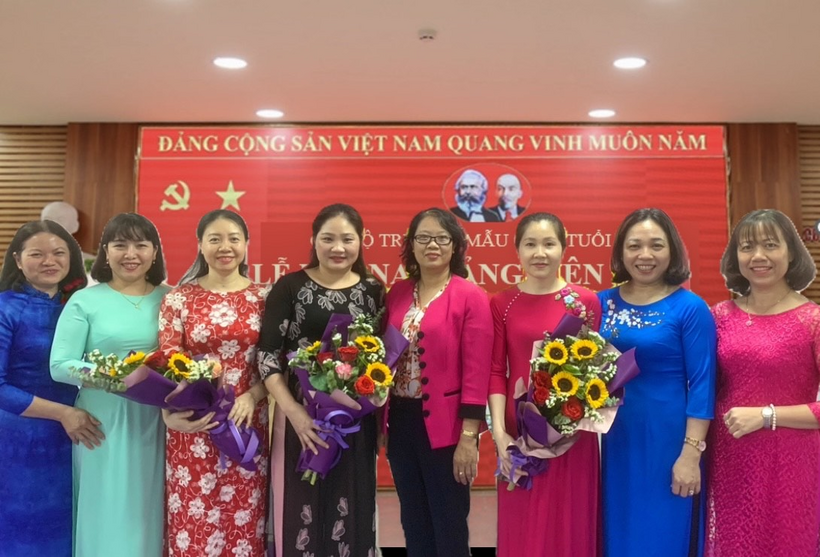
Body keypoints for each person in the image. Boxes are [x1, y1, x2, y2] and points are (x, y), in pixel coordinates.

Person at [258, 203, 384, 557]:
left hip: (355, 422)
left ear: (361, 241)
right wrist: (295, 412)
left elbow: (381, 359)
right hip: (300, 418)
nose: (338, 247)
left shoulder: (374, 291)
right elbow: (267, 356)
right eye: (328, 238)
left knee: (353, 506)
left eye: (347, 238)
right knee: (300, 508)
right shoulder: (290, 287)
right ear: (313, 241)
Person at [597, 208, 716, 557]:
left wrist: (690, 455)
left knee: (662, 535)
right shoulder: (601, 304)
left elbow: (703, 385)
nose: (644, 255)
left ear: (673, 251)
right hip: (613, 442)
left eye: (656, 245)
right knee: (616, 531)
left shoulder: (690, 308)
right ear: (620, 252)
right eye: (634, 246)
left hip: (669, 443)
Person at [51, 213, 169, 557]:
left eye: (140, 245)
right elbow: (60, 365)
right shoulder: (85, 300)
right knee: (106, 509)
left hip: (160, 422)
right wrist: (115, 379)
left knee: (152, 508)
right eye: (120, 245)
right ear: (105, 252)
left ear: (155, 252)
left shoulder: (172, 298)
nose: (130, 254)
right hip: (102, 422)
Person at [707, 209, 820, 556]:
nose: (758, 256)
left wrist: (767, 415)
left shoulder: (813, 320)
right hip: (729, 464)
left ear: (791, 253)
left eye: (770, 245)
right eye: (747, 247)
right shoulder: (719, 316)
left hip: (792, 464)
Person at [489, 212, 601, 556]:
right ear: (517, 251)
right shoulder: (502, 303)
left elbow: (595, 369)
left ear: (563, 250)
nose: (540, 253)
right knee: (523, 522)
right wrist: (499, 434)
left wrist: (574, 416)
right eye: (531, 244)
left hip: (572, 431)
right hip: (519, 431)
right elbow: (496, 371)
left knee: (570, 520)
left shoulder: (585, 302)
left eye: (549, 244)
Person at [159, 209, 270, 556]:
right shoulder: (178, 299)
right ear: (200, 246)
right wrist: (168, 415)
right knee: (193, 521)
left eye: (234, 238)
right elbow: (167, 361)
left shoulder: (264, 299)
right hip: (193, 428)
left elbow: (275, 365)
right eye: (215, 239)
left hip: (246, 424)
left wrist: (253, 396)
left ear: (247, 245)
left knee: (244, 521)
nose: (226, 247)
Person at [385, 207, 493, 557]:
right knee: (413, 520)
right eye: (423, 238)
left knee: (448, 522)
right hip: (400, 420)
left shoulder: (470, 295)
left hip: (448, 427)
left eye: (442, 238)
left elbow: (477, 371)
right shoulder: (397, 293)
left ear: (455, 246)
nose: (433, 245)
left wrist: (469, 437)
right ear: (411, 246)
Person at [0, 220, 100, 557]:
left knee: (75, 528)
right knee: (24, 529)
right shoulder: (5, 308)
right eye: (37, 254)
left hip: (81, 434)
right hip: (20, 441)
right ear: (17, 259)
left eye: (59, 253)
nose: (49, 261)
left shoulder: (83, 306)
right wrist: (63, 413)